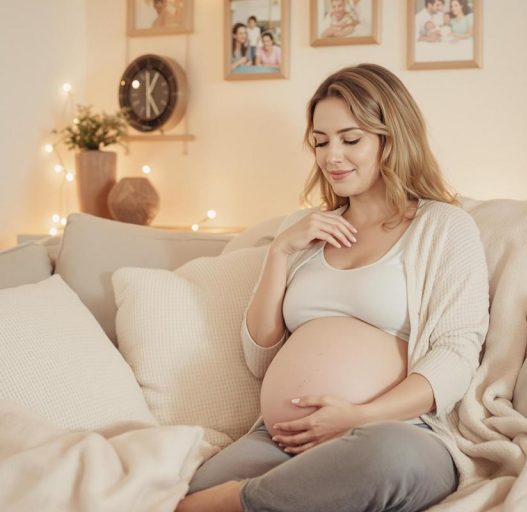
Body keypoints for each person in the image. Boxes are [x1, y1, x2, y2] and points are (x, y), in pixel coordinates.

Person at [176, 64, 489, 512]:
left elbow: (456, 354)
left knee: (385, 463)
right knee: (188, 488)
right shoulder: (302, 230)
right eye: (321, 142)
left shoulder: (443, 227)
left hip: (399, 432)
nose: (331, 156)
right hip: (281, 438)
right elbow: (260, 357)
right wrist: (281, 251)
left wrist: (358, 418)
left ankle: (240, 503)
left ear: (391, 137)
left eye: (350, 139)